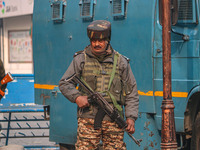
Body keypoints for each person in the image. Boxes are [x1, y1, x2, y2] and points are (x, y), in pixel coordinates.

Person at [59, 20, 139, 150]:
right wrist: (77, 97)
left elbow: (131, 93)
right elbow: (64, 83)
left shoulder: (121, 62)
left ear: (108, 40)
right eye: (93, 40)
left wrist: (131, 117)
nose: (96, 44)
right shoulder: (81, 59)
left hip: (114, 120)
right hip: (88, 119)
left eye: (100, 41)